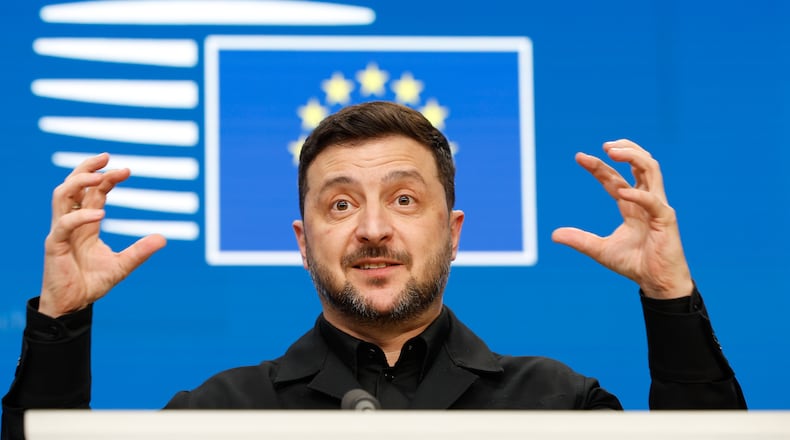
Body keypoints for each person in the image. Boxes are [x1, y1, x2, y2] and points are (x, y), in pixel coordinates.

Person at [2, 101, 745, 439]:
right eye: (340, 205)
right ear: (302, 239)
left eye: (404, 199)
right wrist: (62, 324)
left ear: (452, 232)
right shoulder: (219, 416)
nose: (374, 228)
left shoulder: (557, 406)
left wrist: (669, 295)